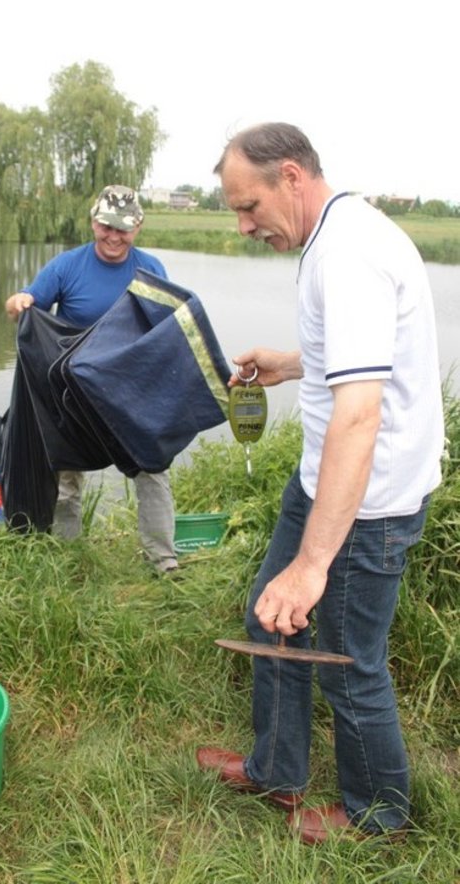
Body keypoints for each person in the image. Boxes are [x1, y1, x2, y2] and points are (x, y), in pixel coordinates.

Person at [196, 123, 445, 843]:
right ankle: (277, 768)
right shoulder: (337, 235)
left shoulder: (348, 256)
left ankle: (378, 817)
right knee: (267, 618)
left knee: (347, 664)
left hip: (367, 503)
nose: (244, 226)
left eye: (249, 207)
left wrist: (312, 565)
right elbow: (364, 356)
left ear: (292, 178)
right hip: (325, 485)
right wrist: (290, 362)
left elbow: (360, 417)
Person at [5, 184, 180, 576]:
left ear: (138, 227)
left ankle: (164, 560)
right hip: (73, 396)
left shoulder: (151, 269)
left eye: (123, 228)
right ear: (92, 222)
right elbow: (24, 303)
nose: (114, 237)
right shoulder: (67, 266)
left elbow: (169, 330)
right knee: (66, 477)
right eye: (106, 226)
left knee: (153, 471)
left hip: (132, 393)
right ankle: (70, 559)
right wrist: (20, 303)